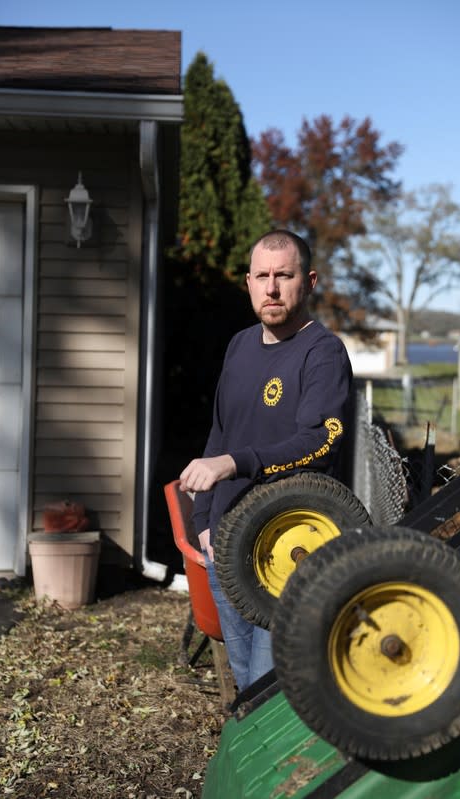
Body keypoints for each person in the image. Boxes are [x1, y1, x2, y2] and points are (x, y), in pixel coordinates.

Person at [179, 229, 353, 692]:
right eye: (262, 276)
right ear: (249, 282)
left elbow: (322, 442)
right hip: (226, 546)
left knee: (270, 688)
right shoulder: (239, 346)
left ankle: (292, 766)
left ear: (309, 281)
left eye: (284, 275)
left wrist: (235, 463)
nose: (272, 288)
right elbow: (221, 432)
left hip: (286, 553)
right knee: (244, 679)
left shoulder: (323, 353)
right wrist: (203, 518)